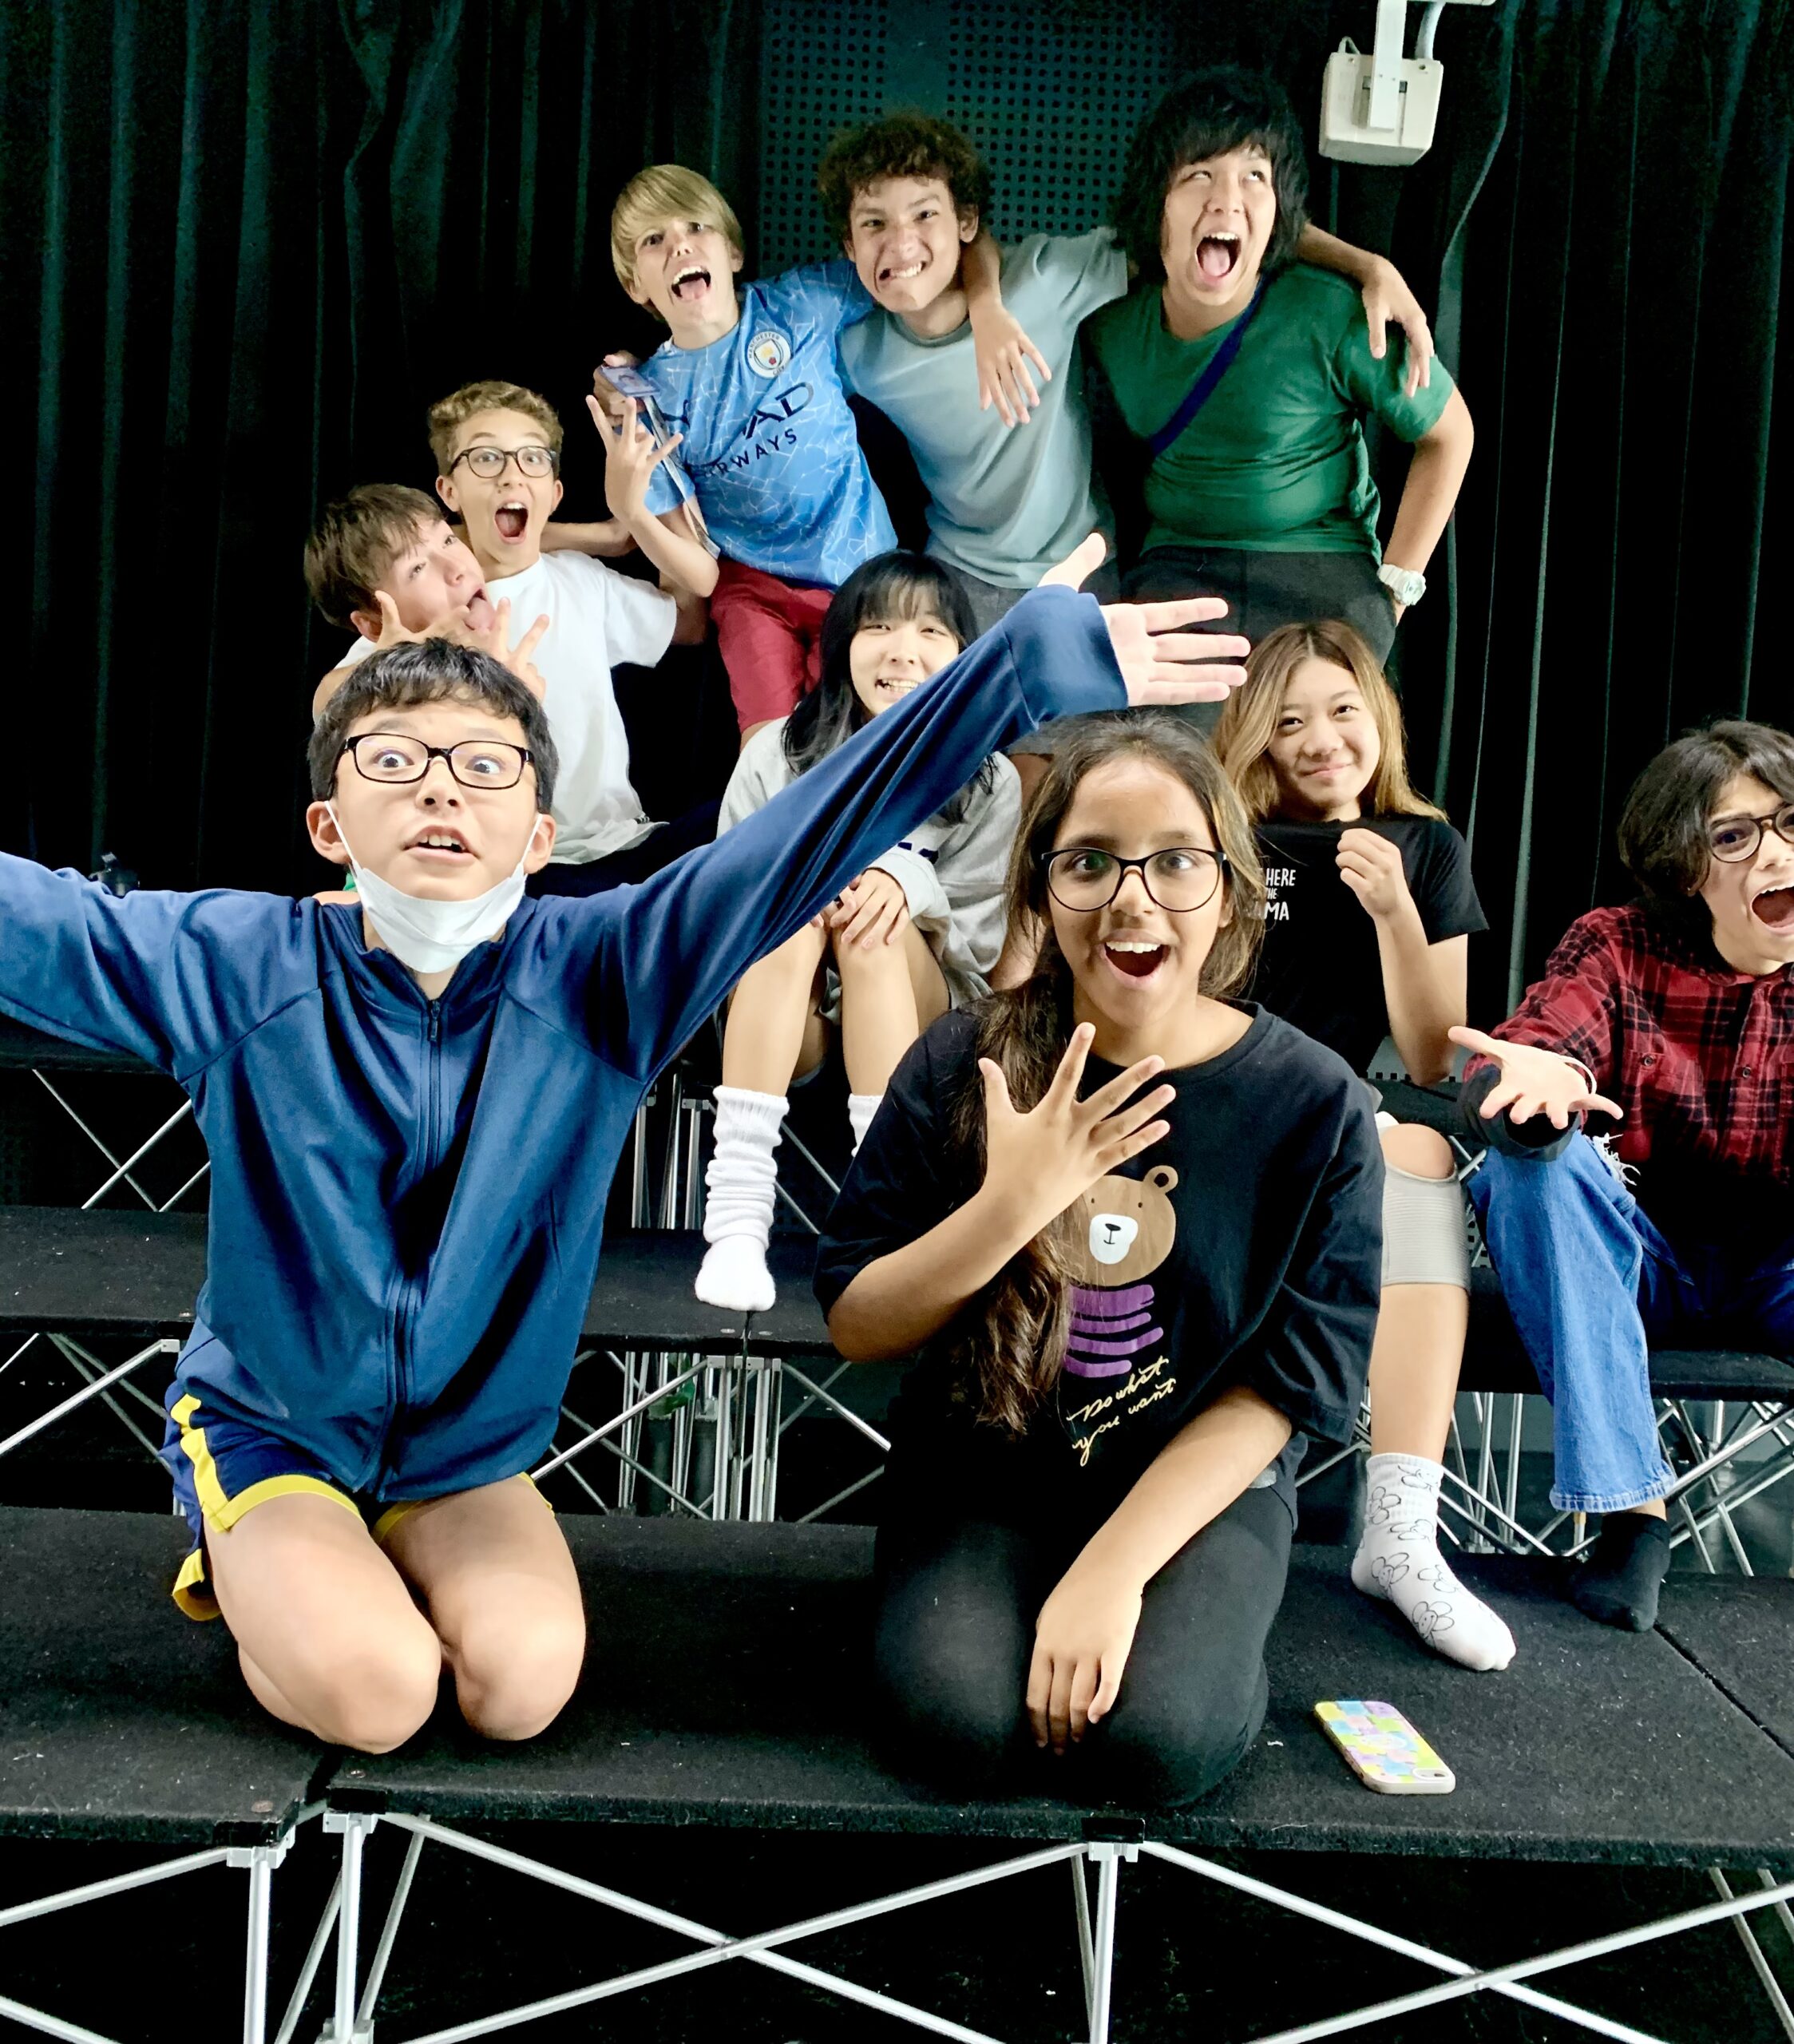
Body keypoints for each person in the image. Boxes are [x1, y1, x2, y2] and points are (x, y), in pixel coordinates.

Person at [0, 561, 1246, 1753]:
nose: (442, 789)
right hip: (276, 1431)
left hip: (462, 1455)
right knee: (379, 1693)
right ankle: (258, 1560)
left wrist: (1016, 670)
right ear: (329, 823)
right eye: (397, 763)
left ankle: (360, 1562)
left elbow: (799, 838)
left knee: (517, 1691)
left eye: (482, 767)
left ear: (541, 833)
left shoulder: (600, 973)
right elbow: (33, 923)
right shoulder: (238, 968)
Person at [815, 717, 1380, 1804]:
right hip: (980, 1474)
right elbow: (855, 1321)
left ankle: (1191, 1627)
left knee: (1155, 1743)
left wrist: (1111, 1574)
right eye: (1089, 863)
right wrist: (1010, 1204)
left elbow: (1283, 1390)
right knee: (955, 1732)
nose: (1132, 897)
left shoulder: (1314, 1105)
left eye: (1173, 861)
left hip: (1193, 1490)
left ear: (1229, 889)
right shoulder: (961, 1060)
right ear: (1040, 895)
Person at [815, 111, 1440, 643]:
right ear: (848, 245)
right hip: (957, 575)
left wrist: (1364, 264)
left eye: (924, 215)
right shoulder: (856, 351)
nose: (900, 243)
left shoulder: (1047, 282)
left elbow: (1212, 228)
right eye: (873, 224)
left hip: (1084, 569)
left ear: (967, 223)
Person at [1214, 621, 1513, 1671]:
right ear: (1252, 735)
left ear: (1374, 719)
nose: (1319, 739)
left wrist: (1390, 909)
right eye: (1286, 719)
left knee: (1420, 1154)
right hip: (1229, 1111)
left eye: (1340, 711)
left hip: (1357, 1122)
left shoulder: (1422, 846)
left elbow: (1433, 1056)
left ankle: (1397, 1530)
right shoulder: (1217, 839)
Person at [1454, 721, 1794, 1632]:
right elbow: (1530, 1048)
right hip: (1636, 1265)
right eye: (1737, 835)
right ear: (1689, 868)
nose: (1776, 852)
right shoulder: (1618, 944)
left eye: (1792, 823)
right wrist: (1526, 1083)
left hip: (1781, 1272)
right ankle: (1629, 1512)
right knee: (1528, 1169)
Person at [601, 164, 1038, 742]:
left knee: (867, 740)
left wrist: (986, 309)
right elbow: (701, 579)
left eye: (696, 227)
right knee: (769, 748)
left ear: (731, 252)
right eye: (653, 240)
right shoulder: (648, 400)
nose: (680, 244)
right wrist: (630, 511)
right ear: (636, 285)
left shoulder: (801, 303)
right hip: (754, 590)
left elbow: (948, 253)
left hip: (860, 577)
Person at [696, 553, 1019, 1313]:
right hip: (786, 1006)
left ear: (959, 654)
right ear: (841, 643)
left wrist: (898, 885)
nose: (901, 648)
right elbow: (719, 901)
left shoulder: (988, 776)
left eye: (929, 630)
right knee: (787, 914)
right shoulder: (775, 752)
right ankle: (738, 1213)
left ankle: (884, 1213)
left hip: (916, 1008)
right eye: (877, 625)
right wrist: (804, 887)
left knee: (873, 922)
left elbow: (974, 940)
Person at [1088, 67, 1474, 697]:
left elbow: (1449, 433)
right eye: (1198, 174)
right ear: (1157, 200)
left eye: (1253, 177)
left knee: (1319, 760)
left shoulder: (1333, 312)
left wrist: (1395, 592)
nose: (1225, 199)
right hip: (1181, 573)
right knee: (1161, 763)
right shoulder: (1107, 324)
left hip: (1321, 578)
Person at [311, 383, 714, 897]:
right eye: (485, 458)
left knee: (757, 828)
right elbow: (330, 699)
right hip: (516, 871)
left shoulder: (579, 580)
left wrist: (641, 509)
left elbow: (689, 620)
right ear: (449, 491)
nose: (510, 474)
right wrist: (419, 654)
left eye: (532, 459)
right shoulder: (421, 609)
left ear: (555, 491)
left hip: (624, 844)